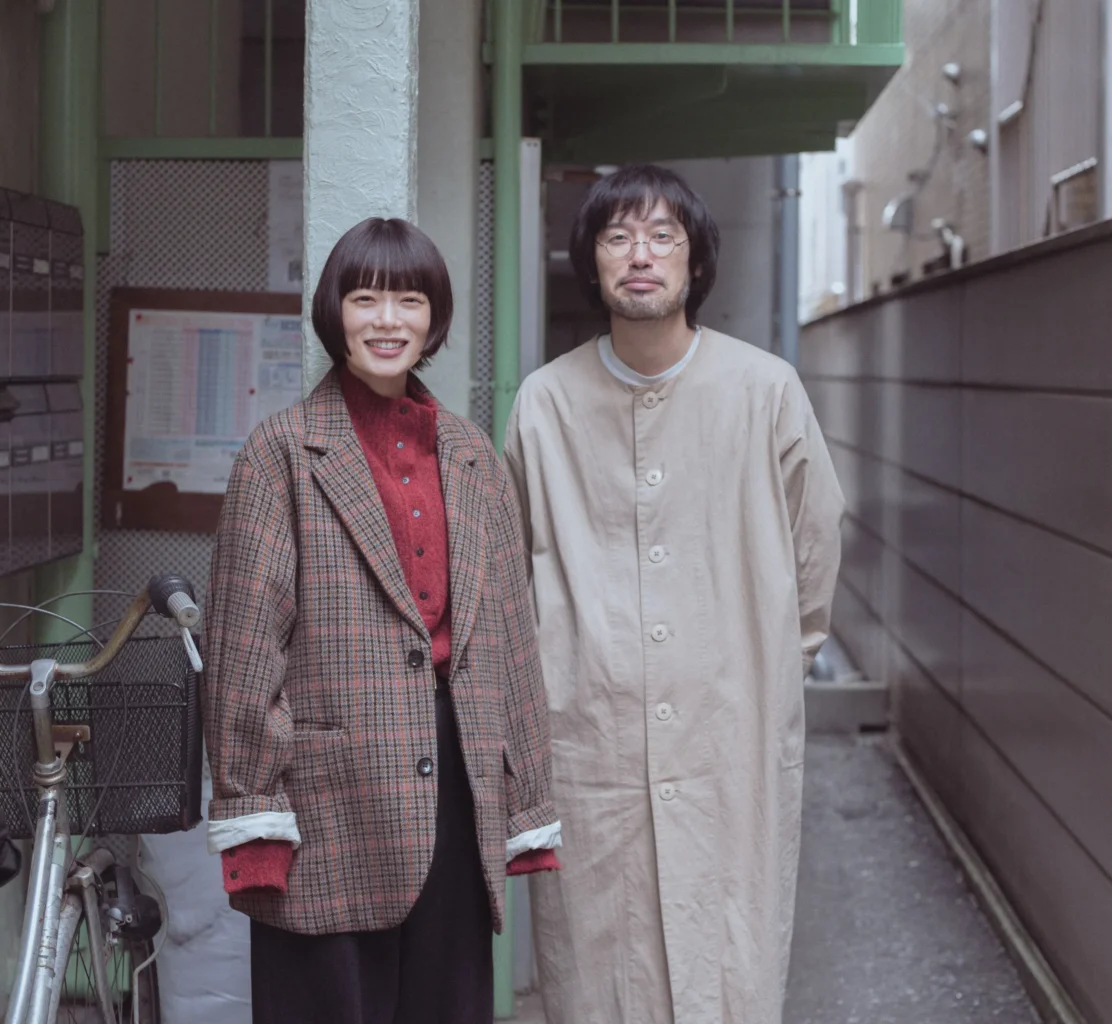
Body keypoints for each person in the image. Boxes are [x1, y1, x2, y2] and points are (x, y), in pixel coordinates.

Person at [503, 165, 844, 1023]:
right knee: (596, 973)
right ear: (591, 262)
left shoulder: (765, 391)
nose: (640, 255)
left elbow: (815, 546)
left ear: (696, 260)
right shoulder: (545, 404)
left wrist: (763, 669)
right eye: (617, 237)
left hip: (729, 732)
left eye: (663, 236)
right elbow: (510, 573)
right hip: (590, 739)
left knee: (726, 964)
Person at [203, 217, 561, 1024]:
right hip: (327, 799)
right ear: (335, 313)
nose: (388, 320)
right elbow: (244, 650)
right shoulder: (282, 452)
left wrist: (528, 800)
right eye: (365, 299)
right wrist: (251, 809)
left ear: (434, 318)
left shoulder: (473, 455)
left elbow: (512, 638)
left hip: (458, 784)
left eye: (409, 300)